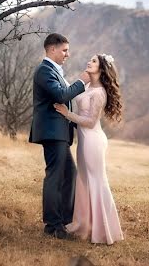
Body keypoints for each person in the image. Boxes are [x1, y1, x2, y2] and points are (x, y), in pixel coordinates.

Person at [53, 53, 124, 245]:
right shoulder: (87, 86)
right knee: (83, 182)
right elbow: (69, 92)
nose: (88, 62)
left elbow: (91, 122)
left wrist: (68, 114)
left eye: (93, 61)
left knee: (97, 181)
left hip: (93, 140)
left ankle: (104, 231)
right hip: (84, 141)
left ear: (101, 69)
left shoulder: (99, 92)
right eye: (90, 60)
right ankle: (82, 225)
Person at [29, 33, 91, 240]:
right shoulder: (44, 71)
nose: (68, 54)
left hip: (59, 133)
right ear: (52, 49)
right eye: (64, 50)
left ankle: (64, 221)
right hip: (52, 133)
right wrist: (82, 81)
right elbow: (62, 96)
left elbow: (64, 99)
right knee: (55, 177)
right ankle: (53, 225)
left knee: (69, 175)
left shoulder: (54, 71)